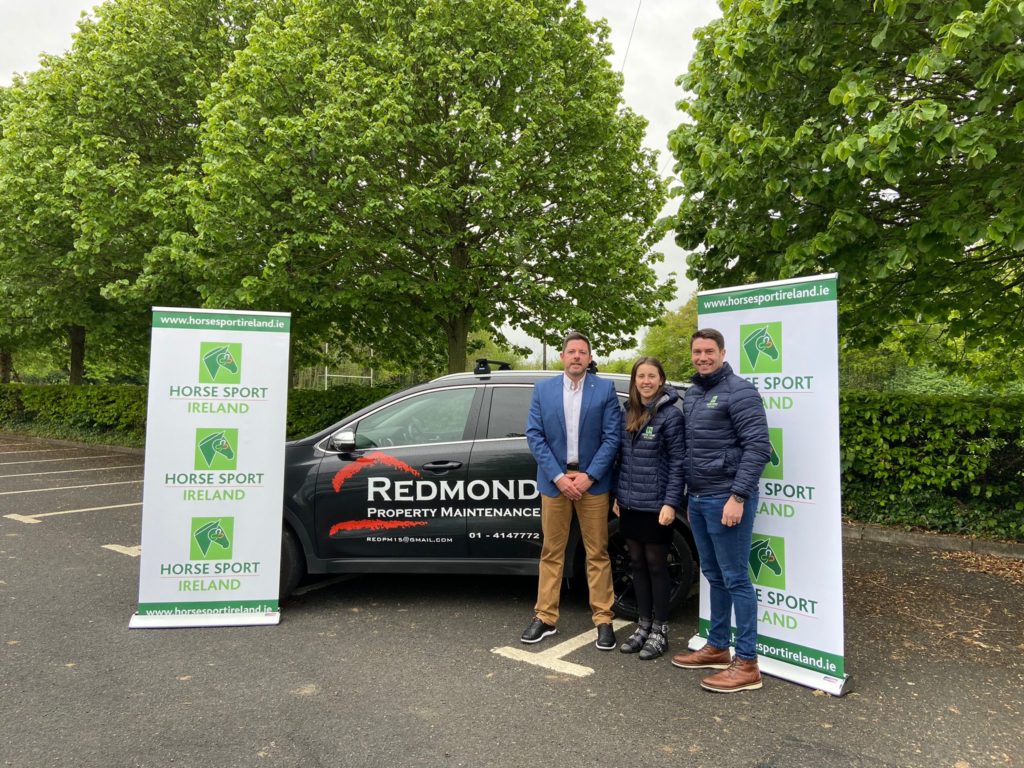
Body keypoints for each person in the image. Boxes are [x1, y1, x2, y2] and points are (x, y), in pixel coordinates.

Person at [671, 328, 771, 692]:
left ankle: (747, 664)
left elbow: (758, 447)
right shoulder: (695, 392)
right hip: (697, 499)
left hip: (726, 499)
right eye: (697, 351)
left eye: (709, 351)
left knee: (736, 578)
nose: (702, 357)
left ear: (723, 353)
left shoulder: (740, 391)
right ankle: (717, 646)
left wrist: (738, 497)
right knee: (713, 575)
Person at [521, 332, 621, 650]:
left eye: (583, 352)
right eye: (571, 351)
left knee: (598, 553)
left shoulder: (604, 389)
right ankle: (545, 618)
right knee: (552, 552)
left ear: (590, 359)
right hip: (555, 484)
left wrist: (589, 476)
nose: (577, 356)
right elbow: (534, 435)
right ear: (563, 357)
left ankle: (604, 619)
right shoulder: (543, 389)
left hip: (593, 484)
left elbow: (612, 437)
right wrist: (559, 477)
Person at [612, 357, 685, 660]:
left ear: (661, 379)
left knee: (657, 566)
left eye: (651, 376)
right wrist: (617, 495)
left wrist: (671, 502)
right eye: (640, 376)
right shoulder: (627, 411)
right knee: (636, 565)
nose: (645, 381)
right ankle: (642, 625)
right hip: (629, 502)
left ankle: (661, 630)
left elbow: (679, 463)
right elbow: (620, 459)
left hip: (657, 505)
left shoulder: (670, 416)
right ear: (634, 381)